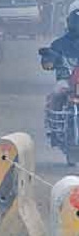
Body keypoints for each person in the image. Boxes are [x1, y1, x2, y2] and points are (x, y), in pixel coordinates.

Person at [42, 10, 79, 145]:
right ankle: (54, 126)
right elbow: (50, 57)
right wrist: (48, 60)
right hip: (67, 81)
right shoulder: (60, 43)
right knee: (56, 93)